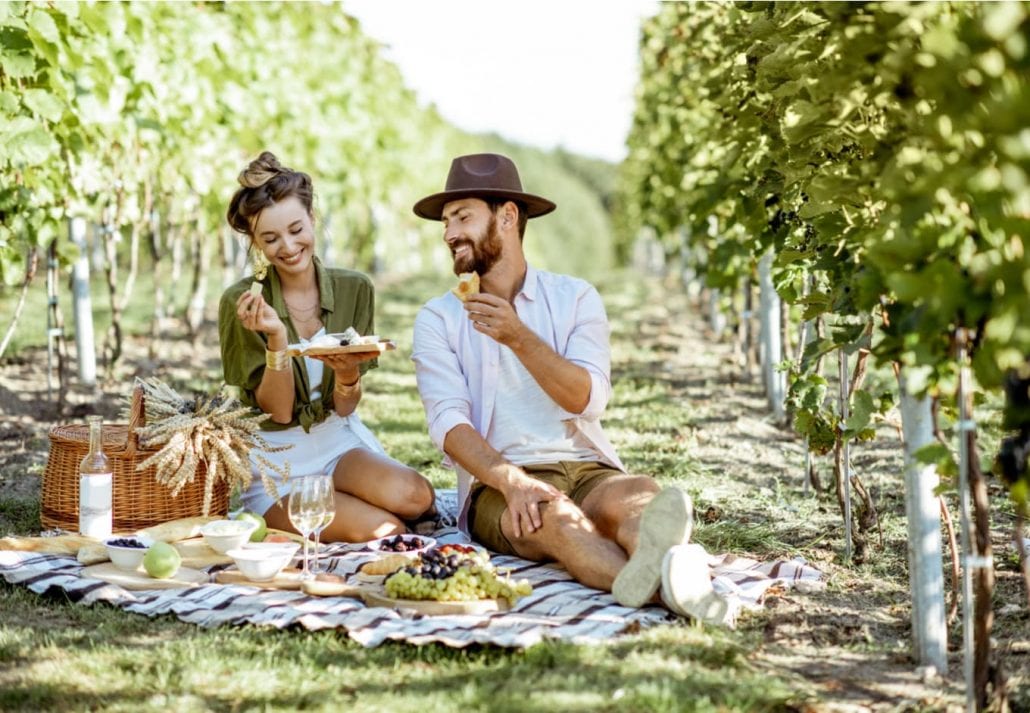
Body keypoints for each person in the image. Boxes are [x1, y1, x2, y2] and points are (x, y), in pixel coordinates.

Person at [410, 153, 728, 622]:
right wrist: (513, 482)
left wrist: (517, 335)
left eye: (463, 216)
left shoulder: (574, 297)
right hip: (503, 480)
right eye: (445, 222)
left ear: (508, 216)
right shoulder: (438, 317)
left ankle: (661, 567)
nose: (450, 233)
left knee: (639, 497)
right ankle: (680, 591)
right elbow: (448, 425)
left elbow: (588, 398)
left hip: (588, 466)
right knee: (559, 523)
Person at [218, 151, 435, 542]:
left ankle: (349, 497)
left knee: (417, 495)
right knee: (386, 531)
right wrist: (276, 340)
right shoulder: (243, 303)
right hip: (276, 460)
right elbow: (280, 413)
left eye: (296, 229)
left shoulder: (355, 289)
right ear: (255, 243)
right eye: (270, 238)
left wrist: (348, 374)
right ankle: (341, 508)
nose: (287, 246)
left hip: (333, 440)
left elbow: (346, 406)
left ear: (312, 219)